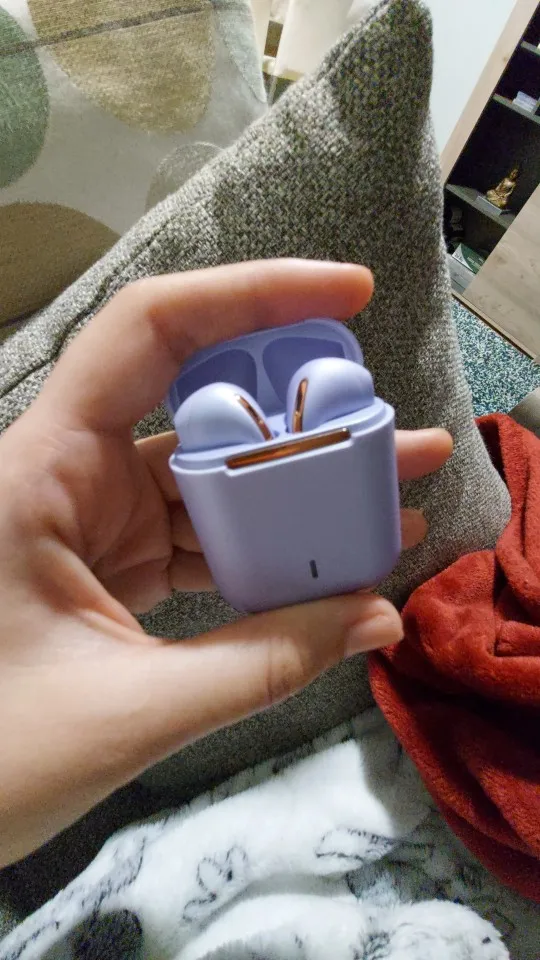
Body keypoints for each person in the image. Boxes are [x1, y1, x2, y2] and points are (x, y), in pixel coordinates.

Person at [0, 258, 452, 870]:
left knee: (240, 408)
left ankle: (261, 423)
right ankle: (295, 416)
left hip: (276, 521)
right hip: (325, 528)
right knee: (294, 396)